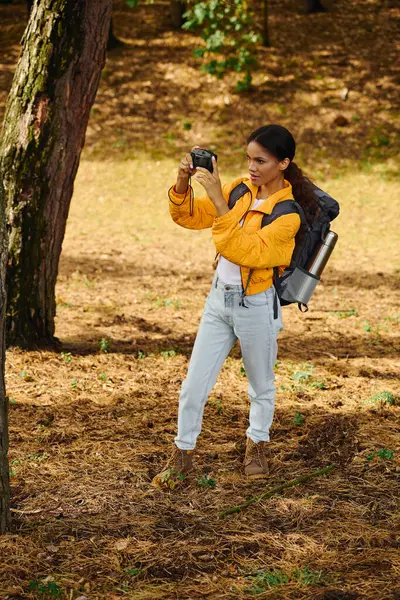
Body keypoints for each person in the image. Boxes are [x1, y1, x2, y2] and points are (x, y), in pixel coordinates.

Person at [153, 124, 320, 486]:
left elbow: (246, 250)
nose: (252, 167)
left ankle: (257, 444)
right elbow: (188, 217)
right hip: (218, 301)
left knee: (260, 386)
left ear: (284, 164)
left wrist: (218, 200)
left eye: (261, 160)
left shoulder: (288, 215)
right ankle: (182, 456)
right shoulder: (240, 191)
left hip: (256, 305)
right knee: (192, 386)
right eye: (248, 158)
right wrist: (183, 184)